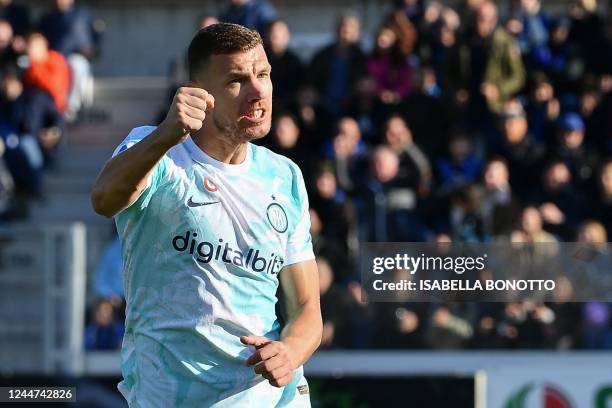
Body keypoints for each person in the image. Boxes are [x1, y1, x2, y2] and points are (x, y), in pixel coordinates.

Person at [91, 23, 322, 407]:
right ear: (200, 93)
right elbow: (103, 199)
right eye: (236, 80)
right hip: (171, 395)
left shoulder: (285, 176)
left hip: (271, 397)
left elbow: (307, 309)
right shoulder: (157, 152)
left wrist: (291, 352)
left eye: (262, 74)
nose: (257, 91)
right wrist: (167, 133)